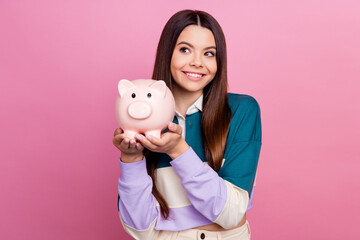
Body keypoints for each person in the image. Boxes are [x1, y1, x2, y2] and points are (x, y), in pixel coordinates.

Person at [113, 9, 262, 240]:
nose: (197, 63)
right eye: (185, 50)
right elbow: (139, 229)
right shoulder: (142, 117)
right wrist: (131, 159)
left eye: (209, 54)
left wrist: (177, 150)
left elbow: (231, 214)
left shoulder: (241, 111)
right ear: (167, 53)